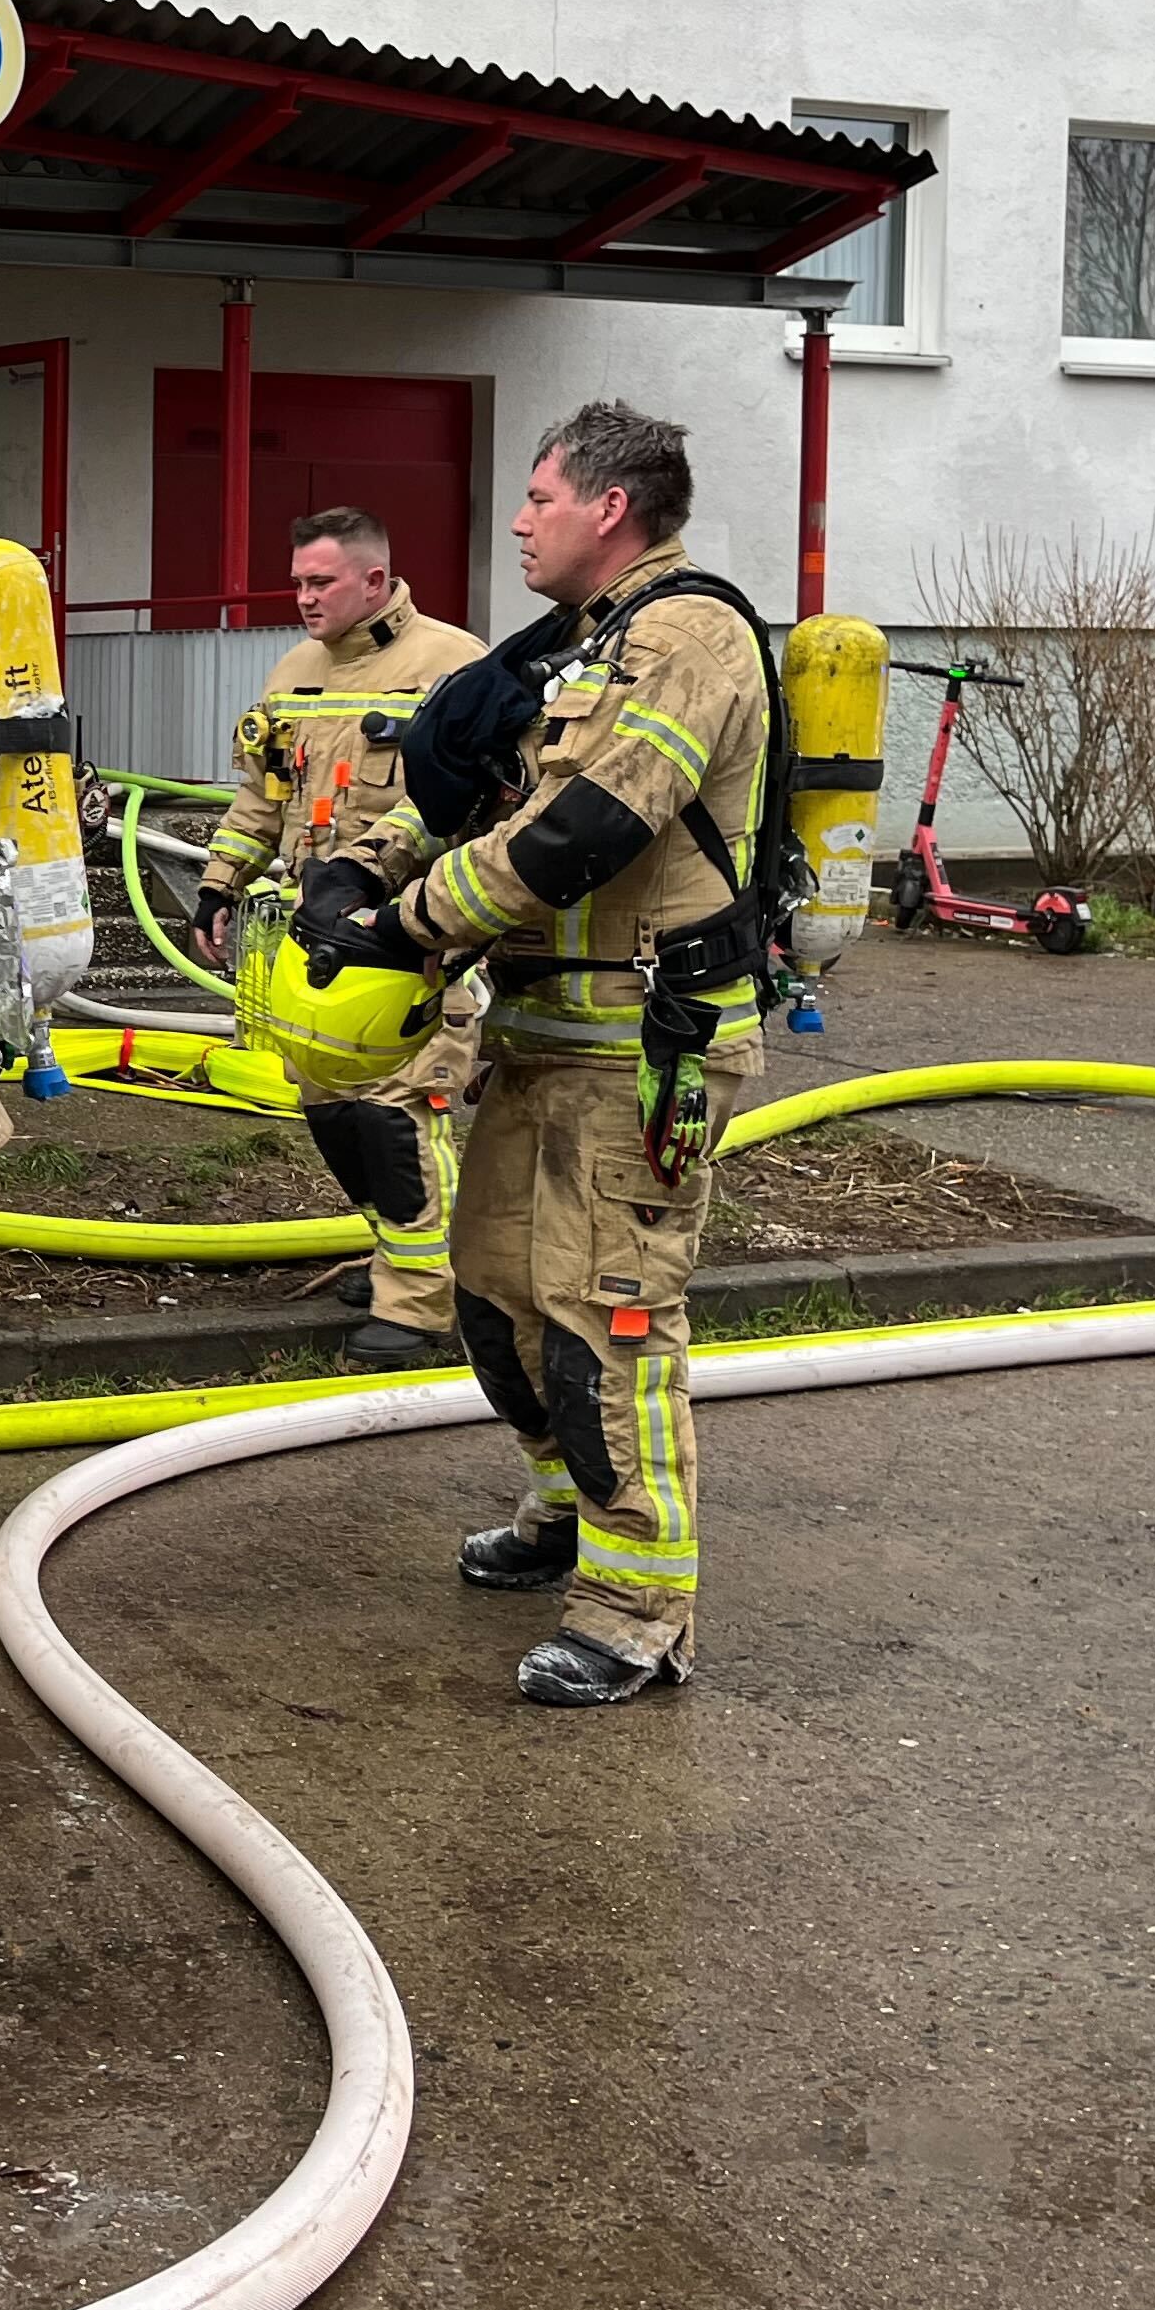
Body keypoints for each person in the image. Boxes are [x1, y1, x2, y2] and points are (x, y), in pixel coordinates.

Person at [303, 402, 774, 1708]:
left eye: (539, 498)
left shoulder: (689, 639)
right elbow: (467, 788)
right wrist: (354, 867)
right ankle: (567, 1507)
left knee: (606, 1316)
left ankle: (636, 1610)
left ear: (609, 508)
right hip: (542, 1035)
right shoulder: (566, 653)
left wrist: (405, 925)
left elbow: (582, 831)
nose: (517, 521)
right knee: (497, 1290)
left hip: (643, 1043)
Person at [190, 507, 485, 1368]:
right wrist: (218, 883)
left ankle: (422, 1309)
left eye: (321, 582)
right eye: (300, 581)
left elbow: (473, 807)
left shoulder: (452, 666)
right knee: (333, 1113)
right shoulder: (293, 671)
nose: (305, 597)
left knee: (398, 1119)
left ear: (375, 577)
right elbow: (263, 797)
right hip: (312, 947)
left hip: (411, 942)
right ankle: (397, 1250)